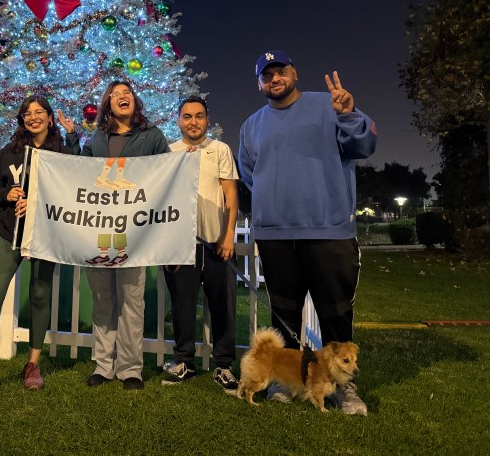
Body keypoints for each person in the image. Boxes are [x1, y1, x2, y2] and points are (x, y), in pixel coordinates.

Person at [237, 51, 377, 415]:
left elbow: (364, 146)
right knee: (284, 313)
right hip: (275, 233)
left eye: (280, 71)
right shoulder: (251, 125)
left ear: (294, 73)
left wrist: (348, 113)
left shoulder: (329, 104)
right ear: (259, 83)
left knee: (335, 312)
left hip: (328, 228)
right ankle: (288, 380)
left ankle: (344, 386)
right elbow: (251, 176)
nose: (274, 79)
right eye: (266, 76)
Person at [0, 96, 79, 402]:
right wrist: (8, 193)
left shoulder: (61, 152)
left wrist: (38, 201)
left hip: (45, 235)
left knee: (40, 295)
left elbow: (74, 189)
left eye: (39, 112)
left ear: (50, 118)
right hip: (9, 234)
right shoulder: (10, 152)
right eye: (27, 113)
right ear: (22, 120)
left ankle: (32, 364)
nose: (33, 117)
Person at [81, 80, 169, 391]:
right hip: (100, 230)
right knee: (103, 299)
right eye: (116, 94)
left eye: (127, 93)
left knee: (132, 300)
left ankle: (131, 368)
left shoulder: (151, 136)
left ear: (135, 101)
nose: (123, 97)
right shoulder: (97, 138)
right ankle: (104, 365)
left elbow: (169, 174)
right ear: (107, 104)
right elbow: (80, 175)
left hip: (137, 234)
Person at [162, 96, 240, 393]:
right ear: (178, 120)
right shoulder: (169, 152)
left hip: (216, 241)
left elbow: (230, 195)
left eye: (199, 116)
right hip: (181, 244)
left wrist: (228, 235)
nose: (193, 122)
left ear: (207, 120)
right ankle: (184, 361)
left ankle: (223, 365)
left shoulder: (219, 150)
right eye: (187, 116)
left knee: (222, 304)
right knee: (183, 304)